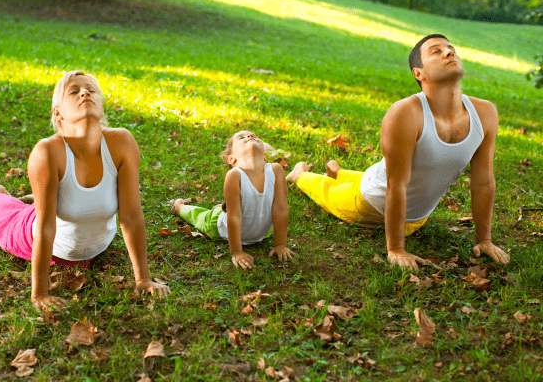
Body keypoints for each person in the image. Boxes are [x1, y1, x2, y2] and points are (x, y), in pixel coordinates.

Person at [286, 34, 510, 270]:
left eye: (451, 48)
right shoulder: (405, 113)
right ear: (418, 73)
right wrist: (396, 249)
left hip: (413, 214)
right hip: (371, 203)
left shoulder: (485, 113)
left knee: (372, 175)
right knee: (328, 191)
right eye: (436, 51)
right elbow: (396, 185)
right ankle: (299, 174)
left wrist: (485, 240)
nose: (448, 52)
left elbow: (483, 182)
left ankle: (339, 171)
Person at [0, 70, 170, 310]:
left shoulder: (122, 142)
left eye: (91, 90)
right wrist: (39, 295)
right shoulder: (47, 152)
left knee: (57, 201)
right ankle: (2, 195)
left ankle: (38, 197)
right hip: (36, 237)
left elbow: (131, 216)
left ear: (101, 107)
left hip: (95, 247)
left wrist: (143, 279)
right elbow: (45, 226)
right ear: (58, 112)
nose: (85, 92)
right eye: (74, 91)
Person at [171, 130, 294, 269]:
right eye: (241, 137)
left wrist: (280, 244)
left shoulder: (276, 170)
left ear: (265, 157)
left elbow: (281, 209)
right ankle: (179, 206)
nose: (250, 136)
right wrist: (237, 252)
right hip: (223, 229)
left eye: (254, 136)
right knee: (199, 217)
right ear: (231, 159)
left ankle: (224, 205)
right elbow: (234, 215)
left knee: (235, 206)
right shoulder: (234, 175)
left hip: (262, 232)